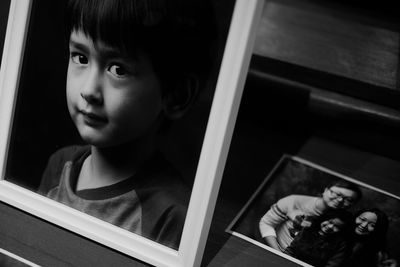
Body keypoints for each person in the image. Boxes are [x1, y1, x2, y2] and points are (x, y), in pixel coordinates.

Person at [38, 0, 216, 249]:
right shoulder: (60, 166)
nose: (89, 90)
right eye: (80, 57)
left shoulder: (171, 215)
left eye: (118, 69)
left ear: (177, 95)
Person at [259, 180, 362, 251]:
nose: (340, 200)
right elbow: (266, 223)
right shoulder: (294, 201)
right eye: (337, 194)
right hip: (279, 250)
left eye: (348, 200)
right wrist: (277, 252)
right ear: (326, 190)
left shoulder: (345, 222)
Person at [285, 209, 353, 267]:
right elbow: (291, 250)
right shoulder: (307, 230)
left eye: (337, 227)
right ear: (324, 218)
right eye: (330, 222)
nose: (330, 227)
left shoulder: (340, 244)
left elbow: (332, 265)